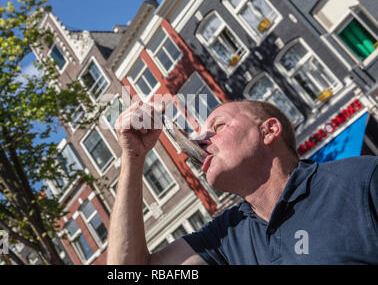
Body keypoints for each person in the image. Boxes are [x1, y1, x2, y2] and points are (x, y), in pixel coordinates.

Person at [107, 99, 378, 264]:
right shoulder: (226, 238)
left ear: (269, 131)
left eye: (218, 126)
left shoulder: (361, 180)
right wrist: (133, 157)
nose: (199, 140)